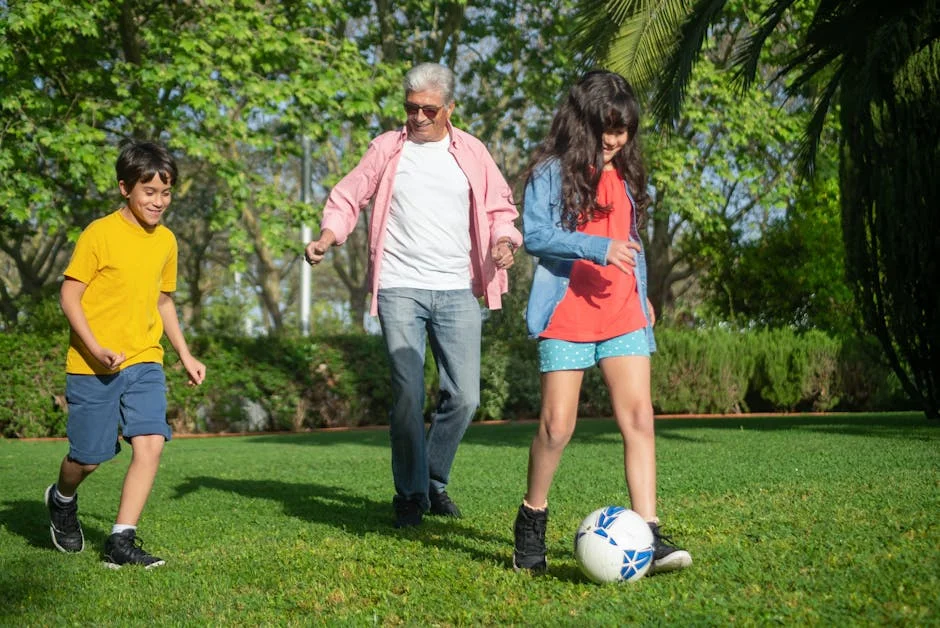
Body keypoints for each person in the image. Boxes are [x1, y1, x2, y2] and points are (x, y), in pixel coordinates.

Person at [304, 62, 522, 528]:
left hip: (457, 287)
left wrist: (504, 242)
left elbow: (501, 206)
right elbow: (349, 196)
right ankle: (410, 494)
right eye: (411, 108)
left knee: (464, 396)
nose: (418, 117)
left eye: (428, 108)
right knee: (406, 391)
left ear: (449, 109)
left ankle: (432, 479)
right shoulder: (387, 149)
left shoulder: (472, 152)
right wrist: (327, 236)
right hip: (399, 285)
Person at [511, 71, 691, 575]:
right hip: (567, 314)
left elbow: (628, 238)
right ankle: (532, 521)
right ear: (583, 121)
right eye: (607, 128)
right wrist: (595, 247)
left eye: (625, 129)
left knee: (639, 419)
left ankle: (649, 533)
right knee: (556, 427)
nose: (616, 139)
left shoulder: (627, 170)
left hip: (623, 313)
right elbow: (537, 236)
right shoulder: (550, 171)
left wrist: (643, 291)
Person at [45, 140, 206, 569]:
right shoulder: (99, 234)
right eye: (148, 191)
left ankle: (121, 540)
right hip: (92, 365)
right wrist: (95, 347)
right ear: (125, 189)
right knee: (89, 458)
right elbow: (69, 295)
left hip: (144, 358)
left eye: (166, 192)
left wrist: (185, 355)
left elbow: (163, 302)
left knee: (151, 441)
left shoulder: (166, 242)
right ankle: (62, 498)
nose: (158, 201)